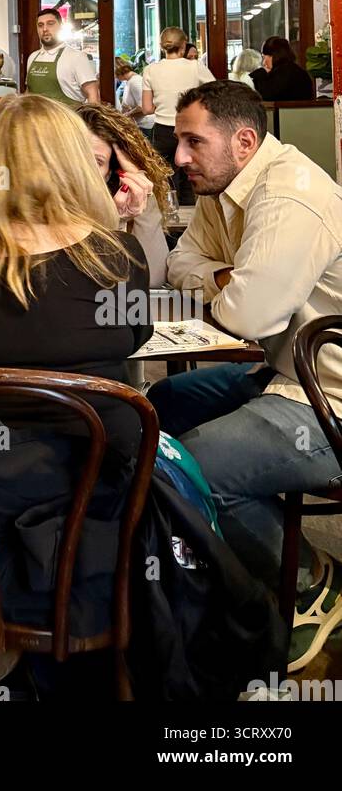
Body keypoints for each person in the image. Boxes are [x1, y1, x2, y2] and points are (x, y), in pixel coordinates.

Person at [148, 81, 342, 671]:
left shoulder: (290, 197)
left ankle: (313, 583)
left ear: (245, 140)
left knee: (193, 470)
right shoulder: (223, 183)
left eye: (191, 142)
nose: (178, 158)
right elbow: (180, 266)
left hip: (328, 400)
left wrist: (224, 285)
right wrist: (232, 277)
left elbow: (247, 315)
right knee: (162, 404)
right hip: (282, 372)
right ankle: (193, 567)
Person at [0, 93, 152, 459]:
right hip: (100, 465)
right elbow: (135, 335)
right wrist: (113, 221)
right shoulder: (119, 251)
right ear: (72, 161)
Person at [76, 101, 172, 288]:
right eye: (76, 155)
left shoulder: (119, 205)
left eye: (97, 161)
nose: (83, 169)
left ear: (110, 173)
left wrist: (144, 199)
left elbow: (153, 278)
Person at [141, 27, 213, 205]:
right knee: (190, 175)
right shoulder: (195, 67)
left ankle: (169, 218)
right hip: (190, 129)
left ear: (161, 46)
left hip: (162, 131)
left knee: (165, 178)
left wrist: (163, 100)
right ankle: (189, 219)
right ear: (183, 46)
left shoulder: (150, 70)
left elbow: (147, 108)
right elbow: (216, 92)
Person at [24, 7, 99, 105]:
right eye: (40, 25)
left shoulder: (76, 57)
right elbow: (28, 93)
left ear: (61, 26)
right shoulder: (32, 57)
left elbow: (93, 96)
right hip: (35, 119)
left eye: (50, 24)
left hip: (67, 119)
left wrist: (90, 119)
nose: (45, 29)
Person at [250, 35, 315, 101]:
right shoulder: (299, 72)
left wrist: (261, 75)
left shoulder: (282, 74)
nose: (263, 63)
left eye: (264, 57)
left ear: (273, 55)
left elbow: (266, 97)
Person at [115, 56, 155, 135]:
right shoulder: (128, 82)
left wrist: (126, 115)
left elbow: (143, 106)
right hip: (140, 125)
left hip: (145, 126)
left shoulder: (135, 81)